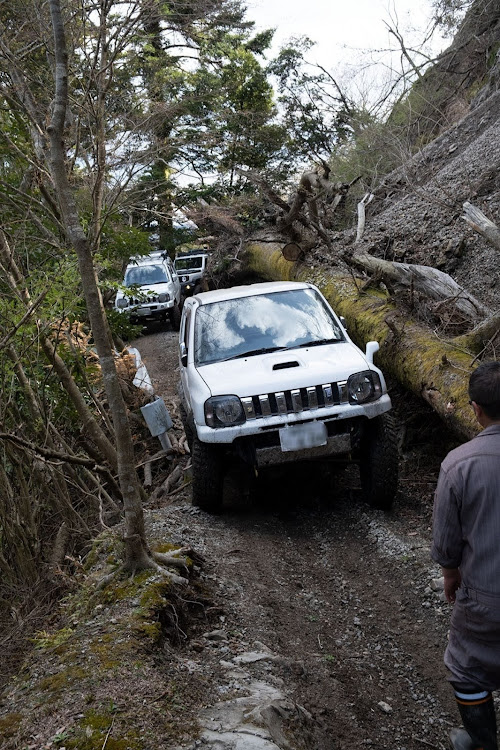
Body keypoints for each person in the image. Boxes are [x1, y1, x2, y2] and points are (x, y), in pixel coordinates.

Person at [432, 360, 500, 750]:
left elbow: (446, 543)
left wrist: (450, 573)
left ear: (474, 408)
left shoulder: (458, 464)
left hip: (487, 600)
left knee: (466, 668)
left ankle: (483, 742)